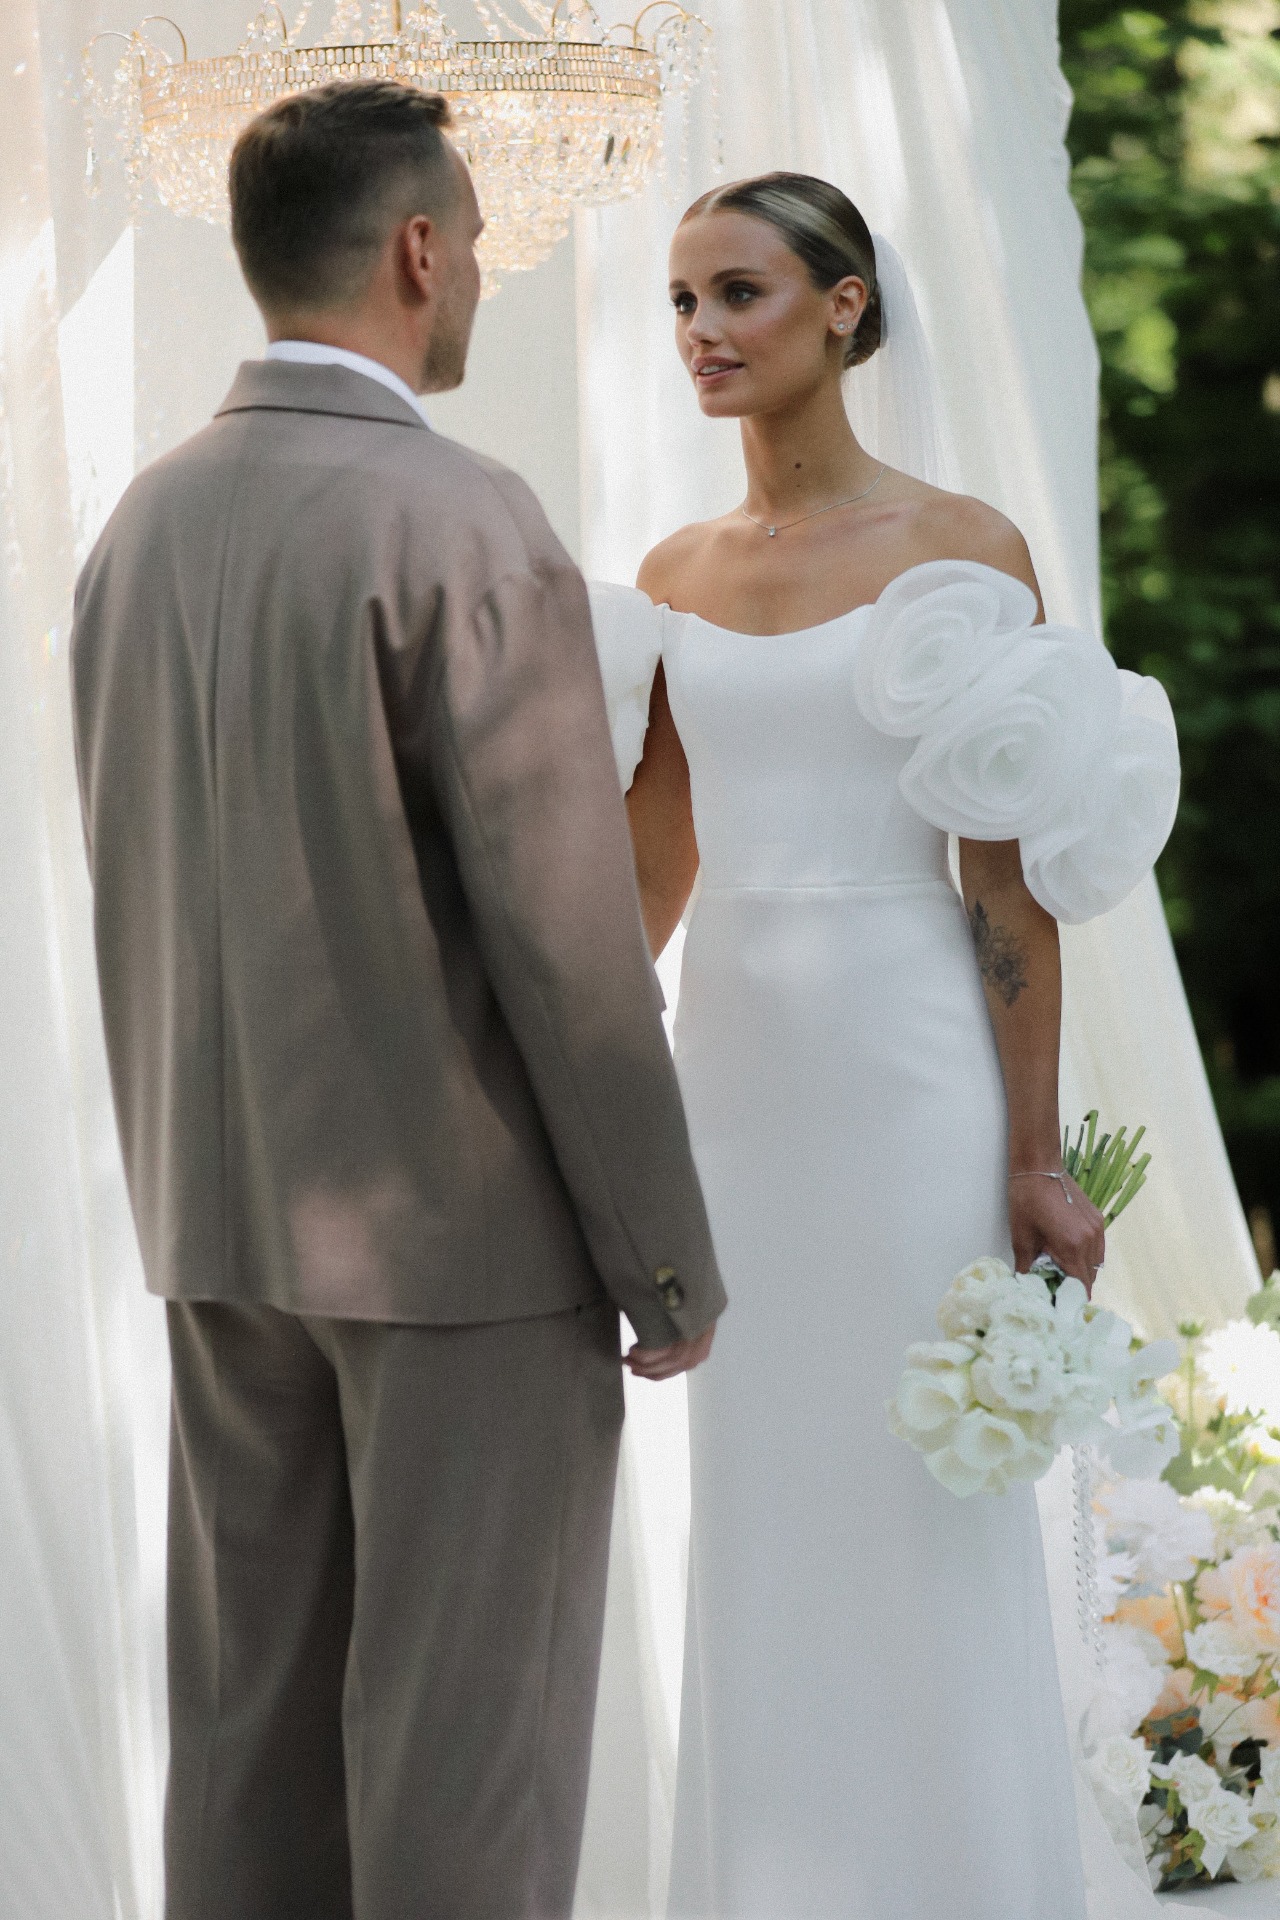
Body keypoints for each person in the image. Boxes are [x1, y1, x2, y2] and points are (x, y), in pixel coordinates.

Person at [69, 81, 725, 1920]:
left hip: (219, 1222)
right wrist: (665, 1260)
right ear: (420, 250)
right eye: (483, 243)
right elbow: (564, 937)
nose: (486, 277)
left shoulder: (140, 521)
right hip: (461, 1244)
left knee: (249, 1749)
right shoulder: (458, 515)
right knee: (467, 1762)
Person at [588, 173, 1180, 1916]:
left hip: (913, 1071)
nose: (701, 331)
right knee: (764, 1496)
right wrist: (571, 1082)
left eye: (740, 292)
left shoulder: (962, 551)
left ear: (844, 306)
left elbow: (1005, 887)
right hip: (736, 1083)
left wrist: (1033, 1154)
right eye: (681, 300)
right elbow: (653, 868)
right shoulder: (674, 574)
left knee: (925, 1490)